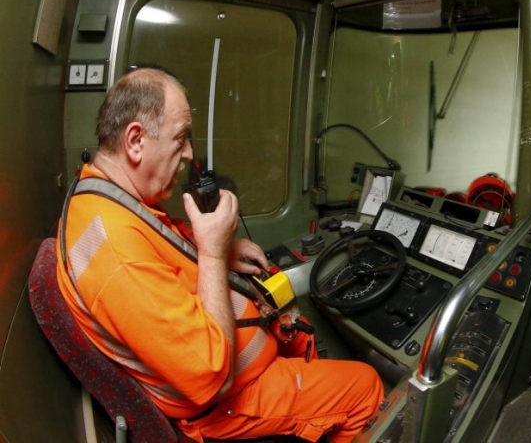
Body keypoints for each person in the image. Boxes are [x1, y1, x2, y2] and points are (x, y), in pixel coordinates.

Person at [56, 67, 383, 442]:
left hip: (249, 363)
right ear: (135, 141)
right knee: (365, 386)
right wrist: (211, 254)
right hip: (224, 403)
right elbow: (208, 374)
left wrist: (221, 254)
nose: (188, 153)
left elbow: (165, 258)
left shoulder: (109, 196)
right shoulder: (115, 250)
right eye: (180, 138)